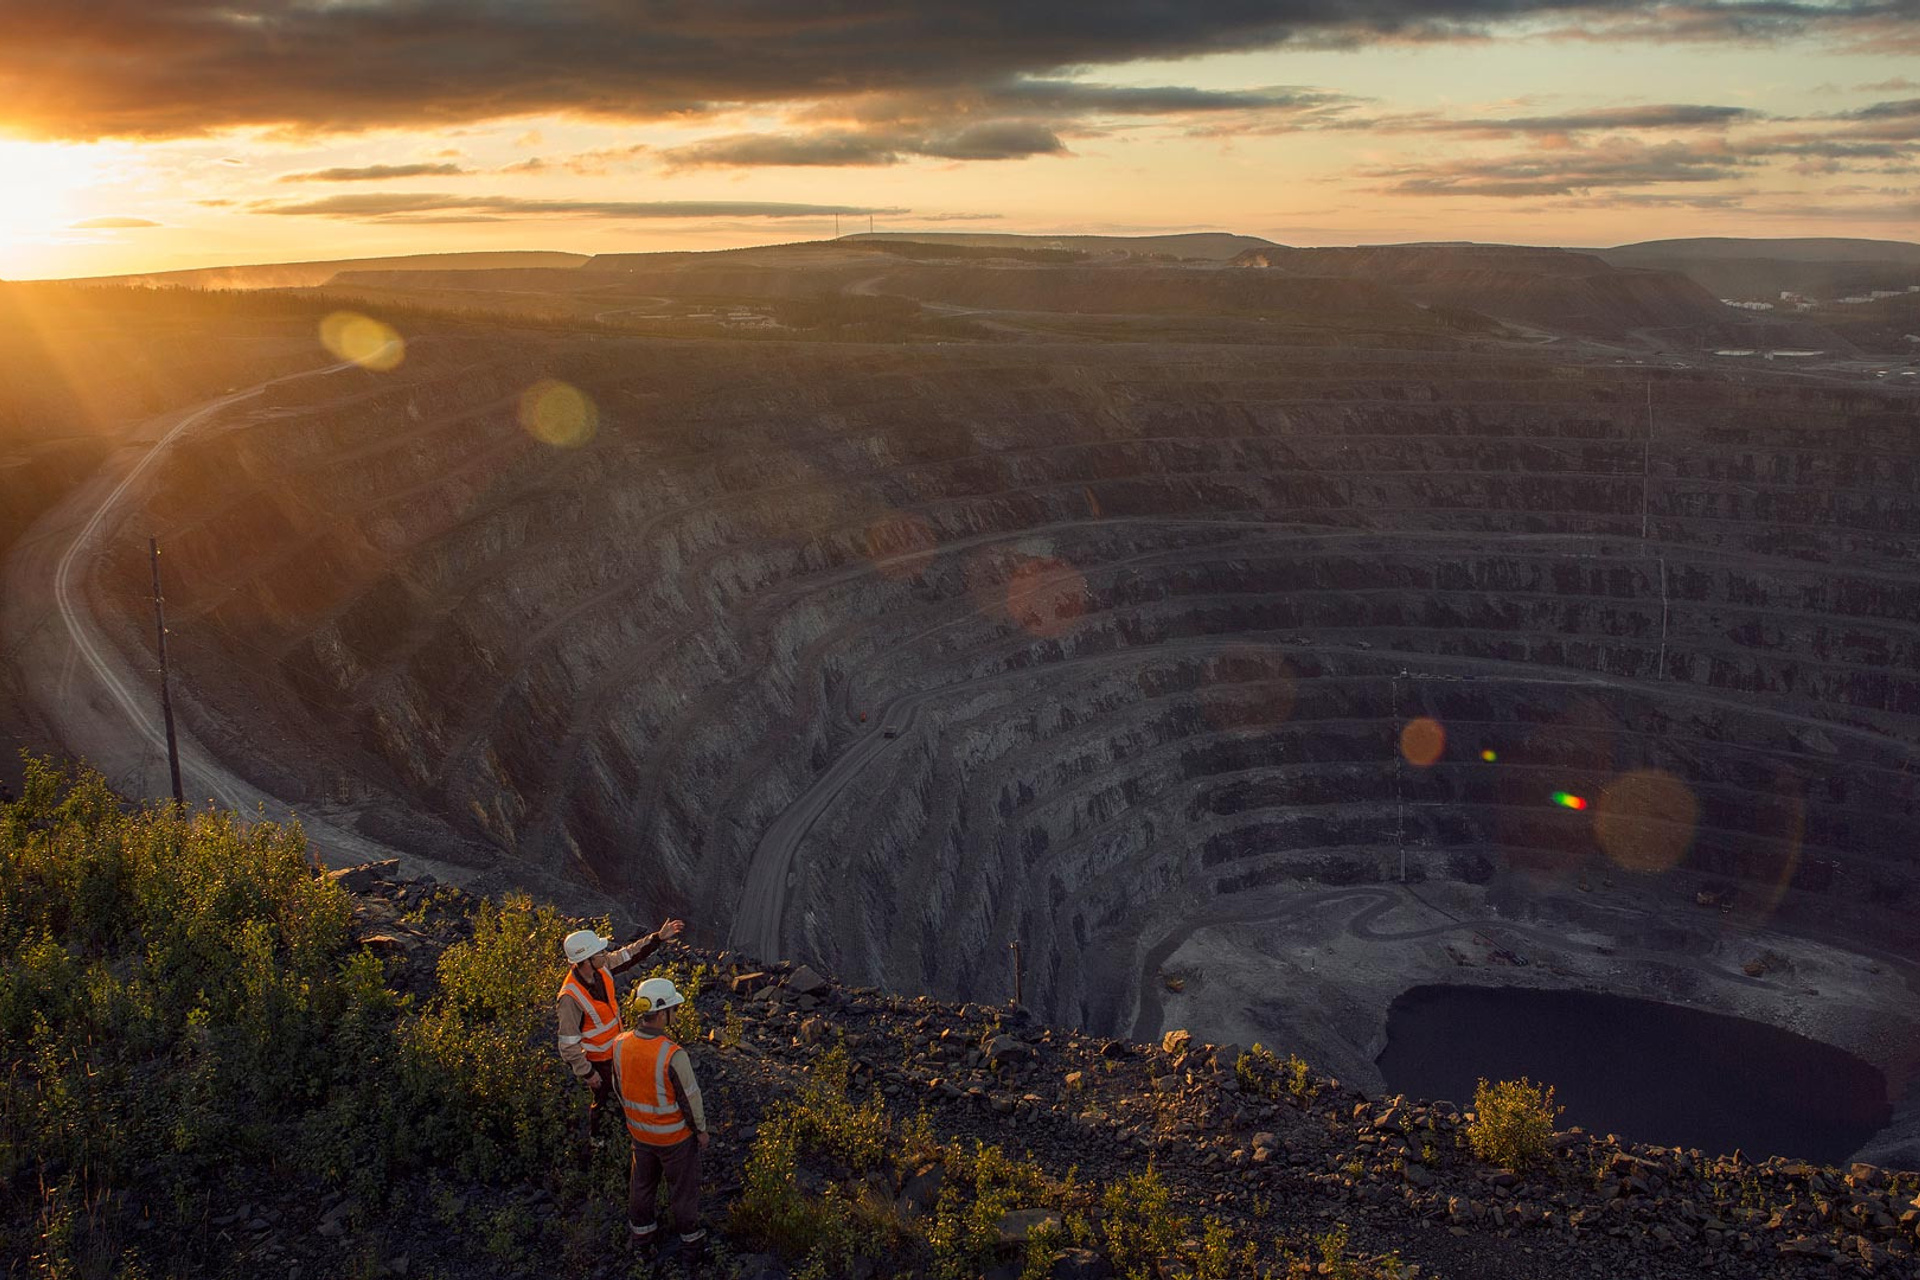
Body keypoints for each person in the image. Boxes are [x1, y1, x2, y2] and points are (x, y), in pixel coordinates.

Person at [556, 919, 685, 1152]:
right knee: (602, 1100)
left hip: (617, 1050)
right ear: (586, 960)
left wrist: (657, 938)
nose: (604, 954)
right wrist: (588, 1072)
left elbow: (629, 955)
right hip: (598, 1061)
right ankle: (599, 1143)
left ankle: (627, 1131)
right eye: (598, 952)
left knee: (624, 1093)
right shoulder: (569, 998)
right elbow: (567, 1044)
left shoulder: (601, 968)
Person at [611, 977, 711, 1262]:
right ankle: (691, 1245)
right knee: (682, 1192)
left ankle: (642, 1241)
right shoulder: (672, 1054)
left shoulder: (618, 1045)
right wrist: (701, 1131)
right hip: (675, 1140)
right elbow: (690, 1099)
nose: (675, 1015)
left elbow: (619, 1088)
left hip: (640, 1137)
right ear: (662, 1012)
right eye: (673, 1009)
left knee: (641, 1188)